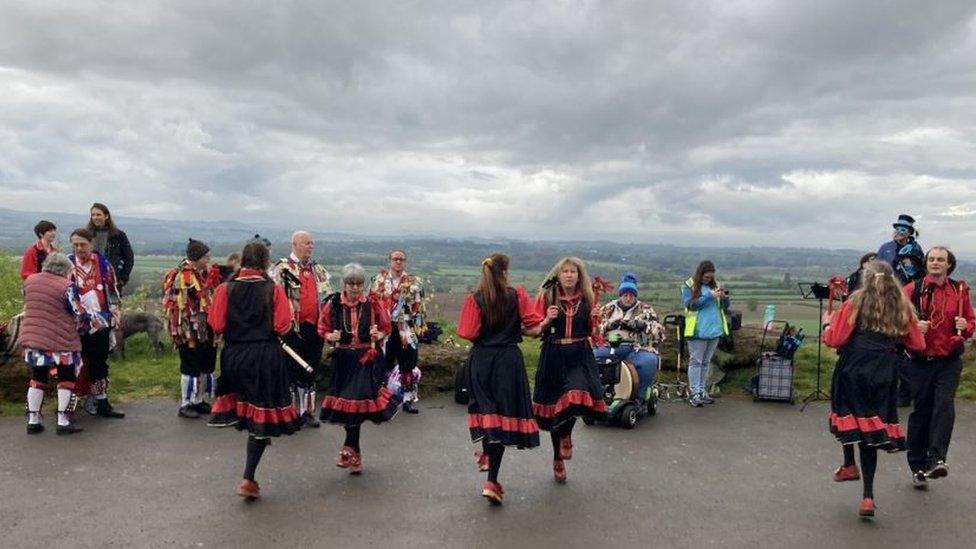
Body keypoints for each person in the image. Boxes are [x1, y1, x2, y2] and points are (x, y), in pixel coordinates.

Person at [823, 260, 925, 517]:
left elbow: (835, 339)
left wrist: (827, 324)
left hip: (854, 366)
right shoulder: (902, 306)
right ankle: (867, 496)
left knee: (846, 415)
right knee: (870, 427)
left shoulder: (854, 303)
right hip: (885, 370)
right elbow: (918, 344)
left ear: (865, 279)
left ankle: (848, 464)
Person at [207, 242, 302, 500]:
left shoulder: (225, 289)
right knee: (261, 415)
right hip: (264, 356)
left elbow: (215, 324)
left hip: (235, 355)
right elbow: (283, 326)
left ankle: (252, 461)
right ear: (265, 262)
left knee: (247, 408)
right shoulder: (273, 290)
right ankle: (248, 477)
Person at [457, 253, 545, 505]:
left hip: (481, 361)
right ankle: (492, 480)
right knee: (502, 419)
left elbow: (467, 332)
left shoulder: (474, 298)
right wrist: (545, 320)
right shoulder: (516, 295)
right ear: (505, 272)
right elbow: (534, 326)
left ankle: (486, 455)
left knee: (487, 413)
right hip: (508, 362)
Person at [902, 246, 974, 489]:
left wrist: (967, 326)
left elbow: (970, 323)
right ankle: (917, 467)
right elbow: (897, 319)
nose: (935, 263)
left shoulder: (959, 290)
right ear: (926, 263)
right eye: (931, 259)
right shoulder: (912, 289)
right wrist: (913, 327)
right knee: (921, 412)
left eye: (940, 260)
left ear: (949, 265)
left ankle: (936, 459)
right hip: (920, 361)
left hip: (948, 361)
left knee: (944, 406)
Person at [317, 263, 399, 476]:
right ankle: (356, 455)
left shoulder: (372, 304)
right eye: (351, 283)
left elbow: (387, 326)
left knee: (353, 401)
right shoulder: (333, 304)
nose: (355, 288)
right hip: (343, 359)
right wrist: (329, 337)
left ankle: (347, 449)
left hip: (365, 358)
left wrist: (378, 335)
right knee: (349, 408)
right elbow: (322, 327)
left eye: (359, 284)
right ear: (343, 283)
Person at [532, 257, 606, 484]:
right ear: (558, 274)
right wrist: (547, 319)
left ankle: (567, 434)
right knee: (557, 409)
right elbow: (534, 329)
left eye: (573, 271)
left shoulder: (588, 298)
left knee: (576, 397)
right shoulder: (547, 296)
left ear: (579, 275)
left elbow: (594, 334)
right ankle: (557, 458)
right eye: (564, 271)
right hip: (554, 355)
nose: (569, 275)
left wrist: (596, 322)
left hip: (579, 355)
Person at [17, 253, 85, 435]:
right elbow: (78, 312)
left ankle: (33, 420)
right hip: (61, 340)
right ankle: (63, 421)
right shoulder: (67, 286)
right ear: (65, 270)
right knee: (66, 378)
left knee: (37, 378)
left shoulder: (30, 281)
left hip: (34, 337)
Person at [270, 231, 332, 428]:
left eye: (312, 243)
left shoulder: (318, 269)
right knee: (291, 370)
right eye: (307, 243)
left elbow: (327, 298)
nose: (310, 246)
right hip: (291, 328)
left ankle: (307, 412)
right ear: (295, 244)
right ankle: (291, 412)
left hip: (314, 327)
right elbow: (273, 299)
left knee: (310, 370)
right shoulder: (281, 268)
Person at [67, 228, 124, 418]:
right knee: (74, 364)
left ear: (91, 243)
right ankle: (68, 407)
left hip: (100, 324)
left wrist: (114, 314)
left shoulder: (103, 263)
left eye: (83, 244)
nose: (79, 248)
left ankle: (101, 402)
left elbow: (113, 291)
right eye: (75, 244)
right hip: (74, 324)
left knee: (100, 363)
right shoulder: (66, 264)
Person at [163, 239, 217, 419]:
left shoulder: (200, 273)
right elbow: (186, 305)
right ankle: (186, 403)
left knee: (203, 364)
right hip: (187, 329)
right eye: (206, 256)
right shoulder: (184, 275)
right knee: (190, 365)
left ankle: (198, 399)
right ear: (197, 257)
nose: (208, 259)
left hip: (201, 328)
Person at [594, 273, 665, 405]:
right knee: (593, 356)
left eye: (631, 295)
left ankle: (639, 397)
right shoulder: (609, 308)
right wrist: (610, 324)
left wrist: (643, 325)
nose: (628, 298)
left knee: (648, 361)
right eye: (625, 295)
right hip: (610, 346)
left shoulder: (645, 310)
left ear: (635, 296)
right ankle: (599, 394)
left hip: (635, 348)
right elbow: (596, 327)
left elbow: (659, 332)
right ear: (620, 295)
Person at [371, 249, 427, 414]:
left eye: (401, 259)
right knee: (382, 363)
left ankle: (408, 399)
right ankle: (381, 398)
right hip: (384, 330)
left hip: (405, 329)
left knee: (408, 365)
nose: (398, 262)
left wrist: (418, 329)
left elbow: (419, 307)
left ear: (405, 262)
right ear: (389, 260)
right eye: (395, 259)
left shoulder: (414, 282)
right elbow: (371, 305)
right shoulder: (377, 280)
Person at [680, 260, 731, 407]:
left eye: (711, 277)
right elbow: (691, 305)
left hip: (714, 330)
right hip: (698, 331)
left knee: (706, 362)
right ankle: (694, 392)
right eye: (707, 277)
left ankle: (702, 390)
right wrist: (709, 296)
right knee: (696, 361)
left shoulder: (715, 286)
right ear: (700, 273)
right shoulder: (688, 286)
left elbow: (724, 307)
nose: (709, 280)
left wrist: (724, 298)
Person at [87, 203, 134, 290]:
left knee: (112, 303)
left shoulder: (118, 235)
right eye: (93, 215)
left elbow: (129, 257)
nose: (95, 217)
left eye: (98, 214)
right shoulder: (87, 235)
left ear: (106, 216)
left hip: (112, 280)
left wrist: (123, 279)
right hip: (90, 280)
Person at [877, 214, 923, 285]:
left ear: (909, 233)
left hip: (908, 286)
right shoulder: (885, 247)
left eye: (903, 230)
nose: (899, 232)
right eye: (897, 229)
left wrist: (910, 268)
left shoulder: (915, 248)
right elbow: (876, 265)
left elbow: (921, 269)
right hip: (887, 285)